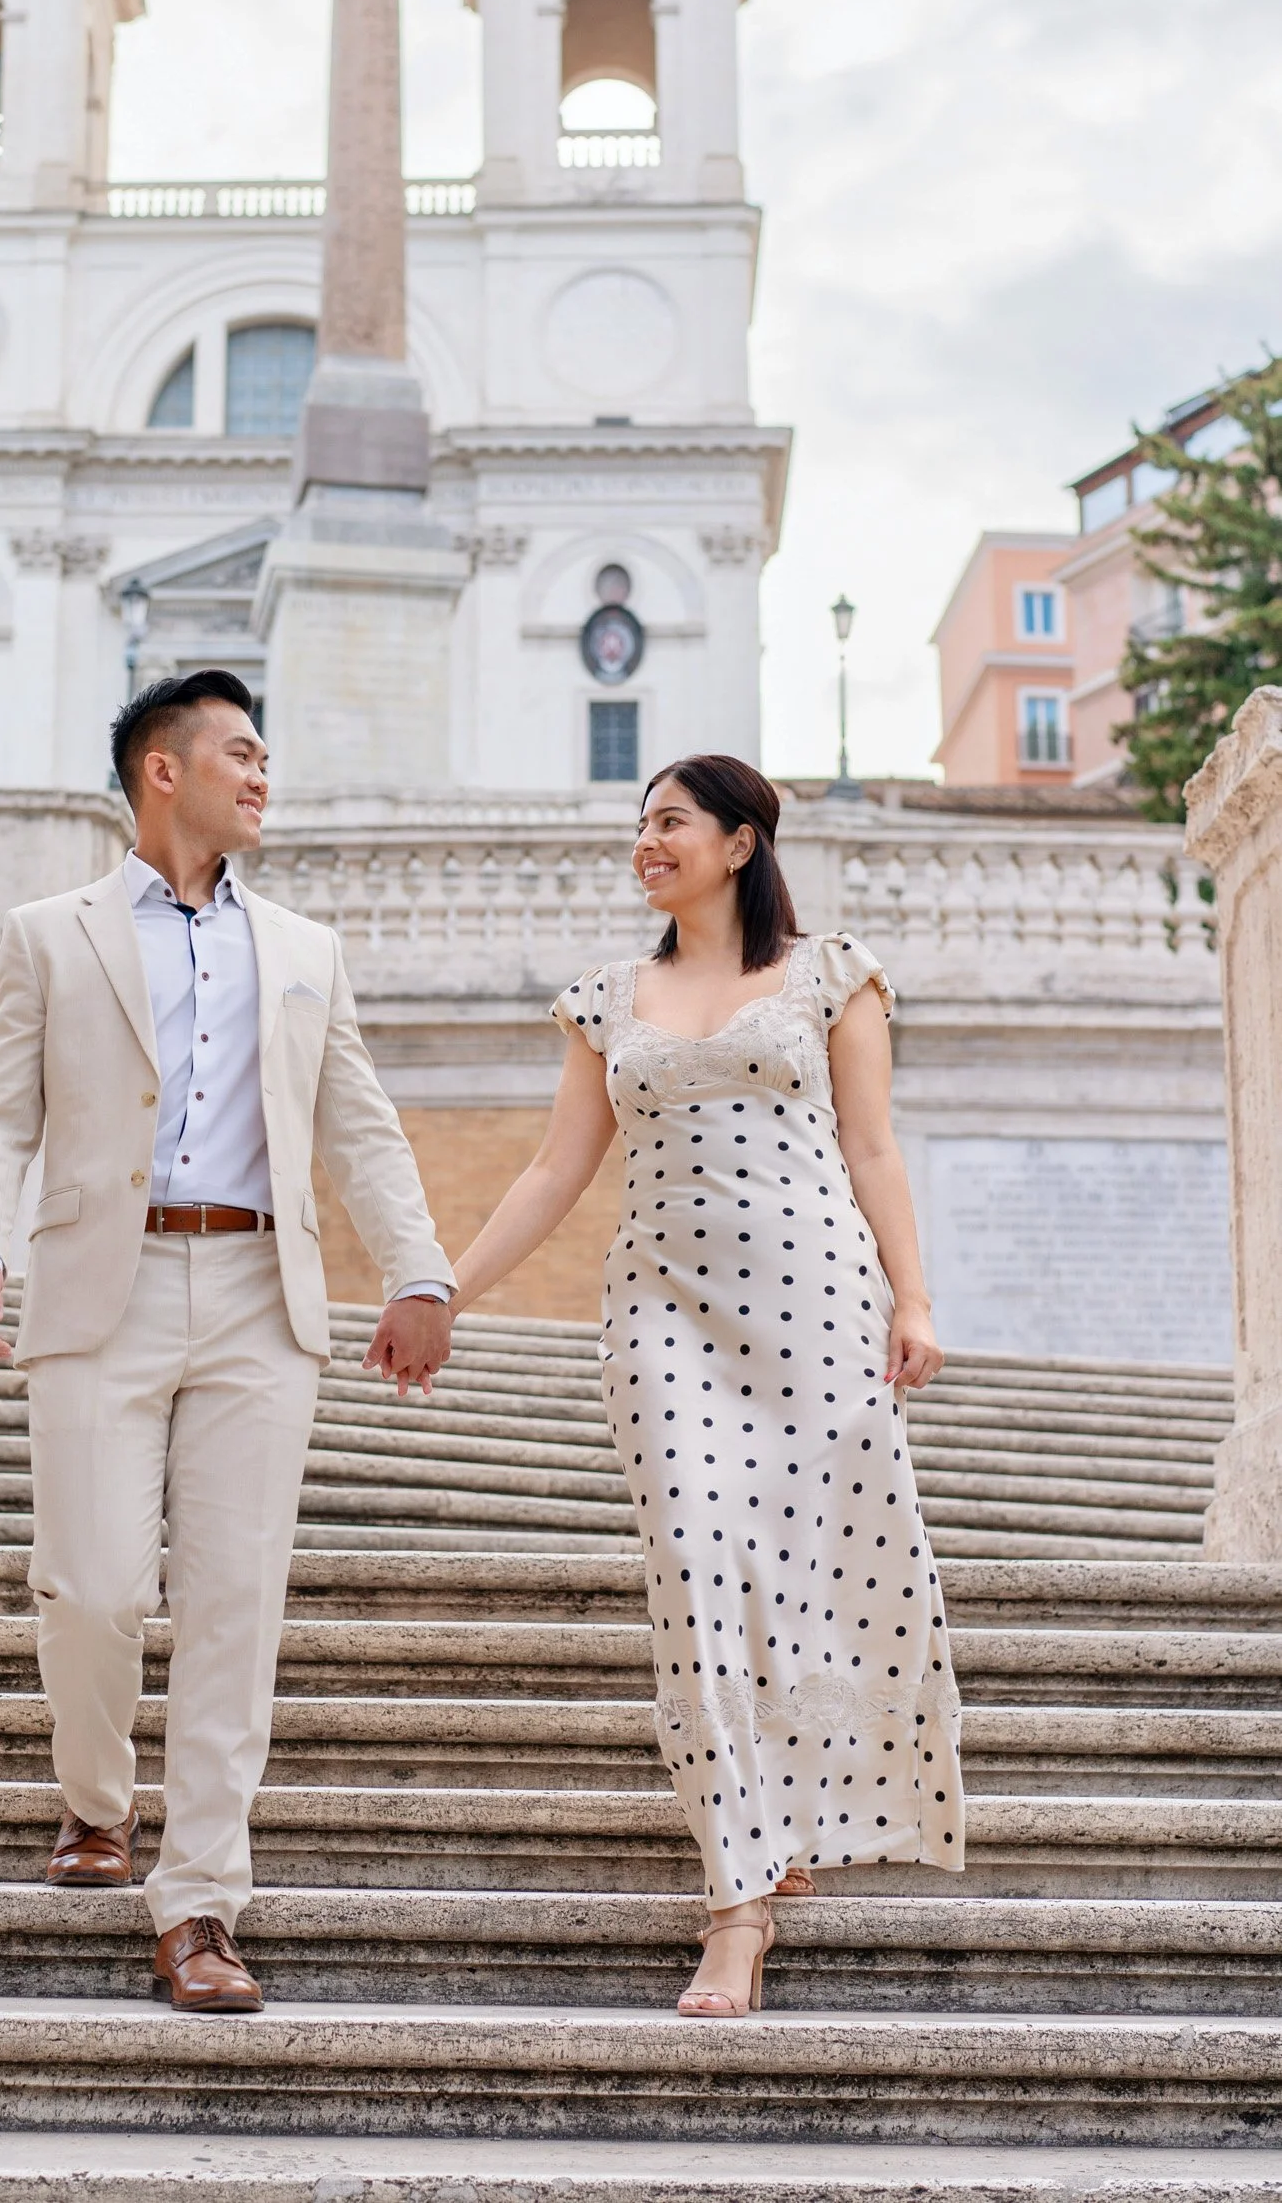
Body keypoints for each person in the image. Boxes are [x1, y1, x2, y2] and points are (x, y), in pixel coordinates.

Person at [0, 669, 454, 2012]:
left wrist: (417, 1272)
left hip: (257, 1296)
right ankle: (95, 1795)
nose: (262, 775)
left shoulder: (304, 951)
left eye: (266, 755)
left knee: (233, 1607)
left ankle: (200, 1908)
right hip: (94, 1290)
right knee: (93, 1588)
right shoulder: (49, 936)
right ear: (162, 770)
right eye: (240, 752)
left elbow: (358, 1123)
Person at [449, 753, 965, 2016]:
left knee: (804, 1570)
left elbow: (871, 1146)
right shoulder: (603, 998)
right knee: (691, 1565)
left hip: (816, 1307)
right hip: (660, 1313)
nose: (646, 840)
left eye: (670, 820)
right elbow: (552, 1170)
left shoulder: (830, 974)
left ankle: (782, 1813)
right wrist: (442, 1292)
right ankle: (734, 1908)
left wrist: (911, 1297)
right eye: (640, 823)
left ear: (739, 842)